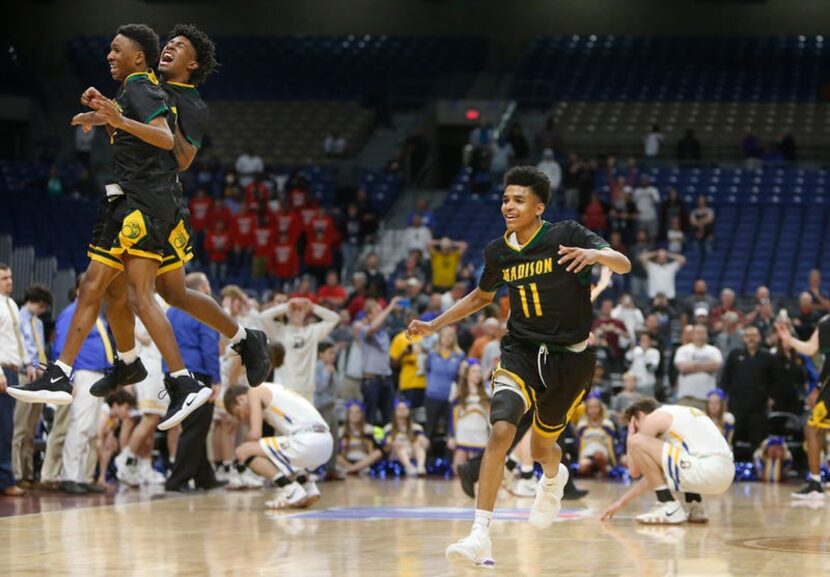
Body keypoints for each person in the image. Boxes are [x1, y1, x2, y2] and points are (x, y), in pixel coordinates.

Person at [407, 166, 631, 567]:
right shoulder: (499, 251)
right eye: (506, 199)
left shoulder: (567, 235)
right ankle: (480, 535)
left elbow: (623, 264)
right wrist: (433, 324)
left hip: (571, 359)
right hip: (521, 352)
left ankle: (553, 476)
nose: (508, 205)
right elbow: (480, 297)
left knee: (544, 447)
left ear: (539, 207)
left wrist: (597, 254)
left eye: (518, 200)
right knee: (502, 430)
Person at [11, 25, 211, 432]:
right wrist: (104, 119)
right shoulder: (135, 89)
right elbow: (141, 140)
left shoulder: (141, 87)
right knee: (100, 288)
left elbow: (162, 137)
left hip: (140, 204)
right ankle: (92, 367)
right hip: (130, 201)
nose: (108, 55)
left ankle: (179, 379)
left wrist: (115, 117)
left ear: (138, 57)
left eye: (116, 49)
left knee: (136, 294)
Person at [600, 398, 733, 524]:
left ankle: (668, 505)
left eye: (634, 425)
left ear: (640, 416)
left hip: (706, 469)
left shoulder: (653, 418)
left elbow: (635, 471)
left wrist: (631, 436)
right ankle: (695, 507)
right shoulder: (680, 414)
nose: (637, 430)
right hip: (725, 472)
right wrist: (620, 503)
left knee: (637, 442)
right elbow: (654, 475)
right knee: (680, 455)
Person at [225, 382, 331, 509]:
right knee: (278, 452)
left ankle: (290, 489)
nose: (242, 419)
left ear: (240, 399)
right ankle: (307, 487)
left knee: (243, 451)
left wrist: (242, 456)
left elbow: (255, 434)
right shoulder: (275, 390)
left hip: (308, 441)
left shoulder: (254, 391)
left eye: (238, 413)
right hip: (326, 442)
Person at [164, 272, 223, 492]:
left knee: (193, 425)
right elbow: (209, 345)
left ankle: (204, 477)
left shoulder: (171, 311)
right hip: (197, 373)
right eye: (207, 284)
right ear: (203, 288)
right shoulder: (202, 309)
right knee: (196, 428)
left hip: (173, 372)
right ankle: (177, 479)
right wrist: (215, 378)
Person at [775, 316, 830, 499]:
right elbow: (811, 348)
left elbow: (811, 349)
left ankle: (815, 483)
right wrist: (788, 340)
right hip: (826, 385)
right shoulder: (825, 322)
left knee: (813, 429)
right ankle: (815, 482)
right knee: (815, 429)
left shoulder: (825, 321)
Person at [258, 297, 339, 402]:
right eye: (294, 309)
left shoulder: (313, 331)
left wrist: (313, 307)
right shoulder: (279, 330)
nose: (297, 313)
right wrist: (286, 306)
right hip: (284, 386)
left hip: (306, 389)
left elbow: (334, 318)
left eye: (300, 310)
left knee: (307, 419)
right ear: (288, 313)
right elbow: (262, 317)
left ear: (305, 313)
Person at [11, 284, 52, 489]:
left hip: (38, 375)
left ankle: (28, 473)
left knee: (31, 428)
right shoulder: (17, 317)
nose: (43, 311)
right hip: (24, 374)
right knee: (19, 425)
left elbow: (39, 349)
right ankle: (16, 473)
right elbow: (20, 347)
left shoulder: (38, 323)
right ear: (38, 303)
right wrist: (28, 364)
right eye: (43, 307)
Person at [355, 297, 401, 425]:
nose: (382, 314)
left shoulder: (384, 332)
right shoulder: (362, 328)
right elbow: (373, 327)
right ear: (369, 315)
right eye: (378, 311)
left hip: (386, 378)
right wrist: (390, 306)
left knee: (390, 418)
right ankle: (370, 444)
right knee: (370, 418)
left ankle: (386, 444)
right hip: (371, 380)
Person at [0, 263, 25, 496]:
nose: (9, 281)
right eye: (4, 278)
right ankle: (6, 480)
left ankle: (5, 478)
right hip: (2, 371)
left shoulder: (11, 304)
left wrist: (27, 364)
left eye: (10, 277)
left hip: (13, 369)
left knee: (8, 428)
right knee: (4, 427)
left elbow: (17, 339)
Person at [423, 327, 466, 447]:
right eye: (444, 335)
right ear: (440, 338)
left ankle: (450, 462)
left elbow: (461, 378)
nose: (447, 338)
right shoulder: (432, 355)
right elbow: (427, 371)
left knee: (451, 433)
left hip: (450, 399)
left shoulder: (460, 356)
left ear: (454, 338)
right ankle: (426, 463)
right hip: (432, 397)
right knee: (429, 432)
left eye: (450, 335)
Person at [449, 361, 490, 473]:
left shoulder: (487, 394)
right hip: (463, 435)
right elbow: (452, 417)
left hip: (480, 435)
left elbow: (490, 418)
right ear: (467, 375)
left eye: (479, 371)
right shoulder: (459, 393)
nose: (477, 374)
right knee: (458, 470)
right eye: (474, 371)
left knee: (477, 472)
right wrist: (451, 436)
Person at [673, 325, 723, 411]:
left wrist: (693, 366)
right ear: (692, 335)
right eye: (697, 332)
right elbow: (682, 368)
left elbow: (716, 365)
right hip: (686, 397)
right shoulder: (683, 350)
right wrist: (706, 367)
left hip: (707, 399)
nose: (700, 335)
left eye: (703, 333)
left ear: (707, 335)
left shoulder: (714, 350)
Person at [314, 340, 342, 480]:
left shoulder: (331, 367)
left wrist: (332, 373)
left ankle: (331, 469)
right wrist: (326, 373)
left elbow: (337, 388)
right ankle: (315, 469)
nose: (333, 356)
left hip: (332, 407)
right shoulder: (317, 368)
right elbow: (319, 387)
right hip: (320, 408)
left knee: (334, 439)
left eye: (334, 353)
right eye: (330, 353)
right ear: (321, 354)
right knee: (320, 439)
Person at [382, 399, 429, 476]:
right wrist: (390, 443)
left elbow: (425, 444)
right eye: (399, 409)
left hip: (412, 452)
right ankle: (409, 467)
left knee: (418, 443)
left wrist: (424, 441)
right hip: (396, 454)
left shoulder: (416, 428)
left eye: (404, 409)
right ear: (395, 412)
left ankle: (420, 467)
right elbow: (386, 446)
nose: (402, 411)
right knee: (398, 444)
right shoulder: (388, 428)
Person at [576, 394, 617, 477]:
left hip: (602, 454)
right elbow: (579, 445)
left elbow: (611, 446)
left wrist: (614, 463)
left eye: (596, 407)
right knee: (583, 468)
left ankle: (605, 471)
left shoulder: (608, 424)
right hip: (587, 454)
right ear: (586, 409)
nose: (593, 410)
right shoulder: (582, 425)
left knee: (598, 456)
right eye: (590, 407)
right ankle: (593, 473)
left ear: (601, 408)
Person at [337, 401, 383, 475]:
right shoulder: (341, 431)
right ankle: (352, 468)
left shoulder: (369, 429)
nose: (354, 415)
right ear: (347, 415)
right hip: (346, 460)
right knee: (334, 456)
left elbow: (374, 450)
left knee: (378, 453)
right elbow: (338, 454)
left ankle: (352, 469)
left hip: (364, 461)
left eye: (357, 412)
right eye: (352, 413)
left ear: (362, 414)